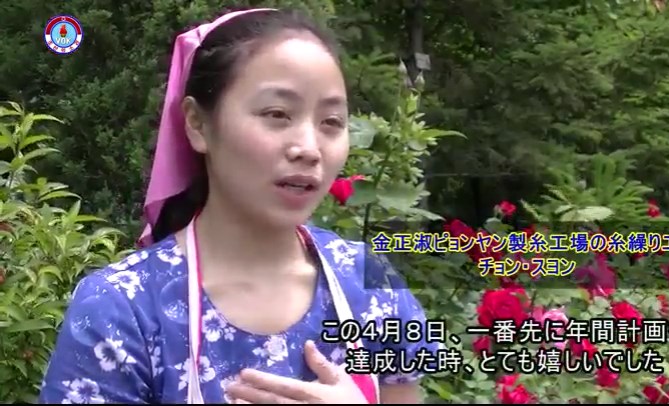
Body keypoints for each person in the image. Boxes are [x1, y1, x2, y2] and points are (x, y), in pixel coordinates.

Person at [38, 7, 443, 404]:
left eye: (332, 122)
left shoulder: (370, 284)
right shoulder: (122, 310)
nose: (309, 148)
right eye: (277, 114)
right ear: (197, 123)